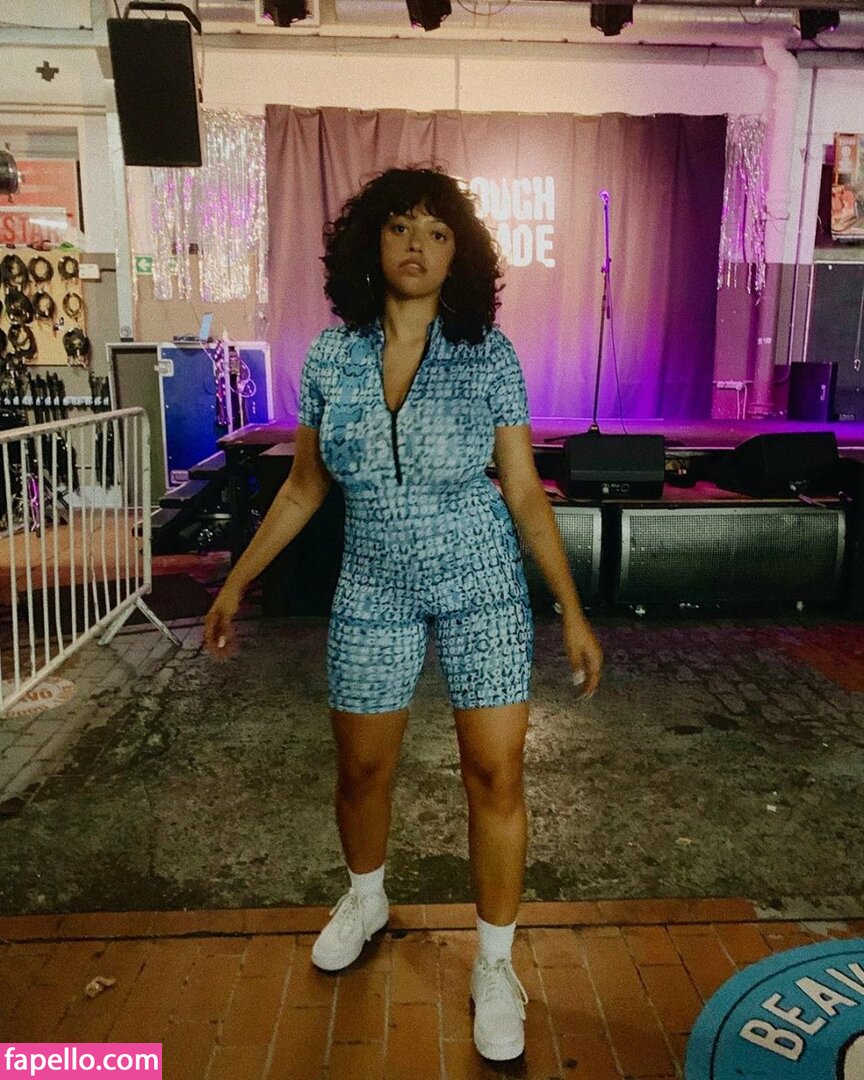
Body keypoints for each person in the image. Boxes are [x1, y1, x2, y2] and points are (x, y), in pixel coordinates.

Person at [203, 166, 603, 1062]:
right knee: (361, 771)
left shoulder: (487, 355)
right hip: (372, 585)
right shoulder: (331, 357)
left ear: (460, 255)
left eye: (437, 231)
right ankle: (366, 897)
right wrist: (236, 583)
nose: (416, 244)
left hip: (480, 582)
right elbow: (304, 488)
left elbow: (524, 492)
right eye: (399, 227)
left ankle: (494, 965)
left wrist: (572, 611)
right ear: (370, 244)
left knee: (495, 774)